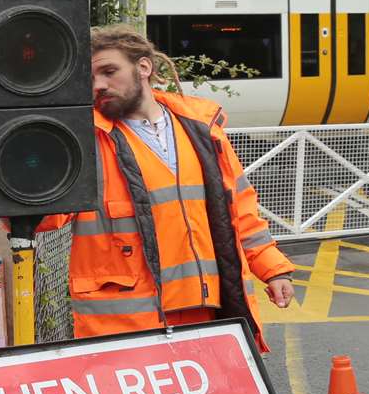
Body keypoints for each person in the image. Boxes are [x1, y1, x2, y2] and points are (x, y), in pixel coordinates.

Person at [39, 26, 296, 348]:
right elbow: (45, 218)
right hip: (129, 326)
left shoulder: (203, 130)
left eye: (109, 71)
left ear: (143, 67)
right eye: (89, 79)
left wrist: (273, 270)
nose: (99, 85)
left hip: (209, 311)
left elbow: (241, 212)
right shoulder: (83, 142)